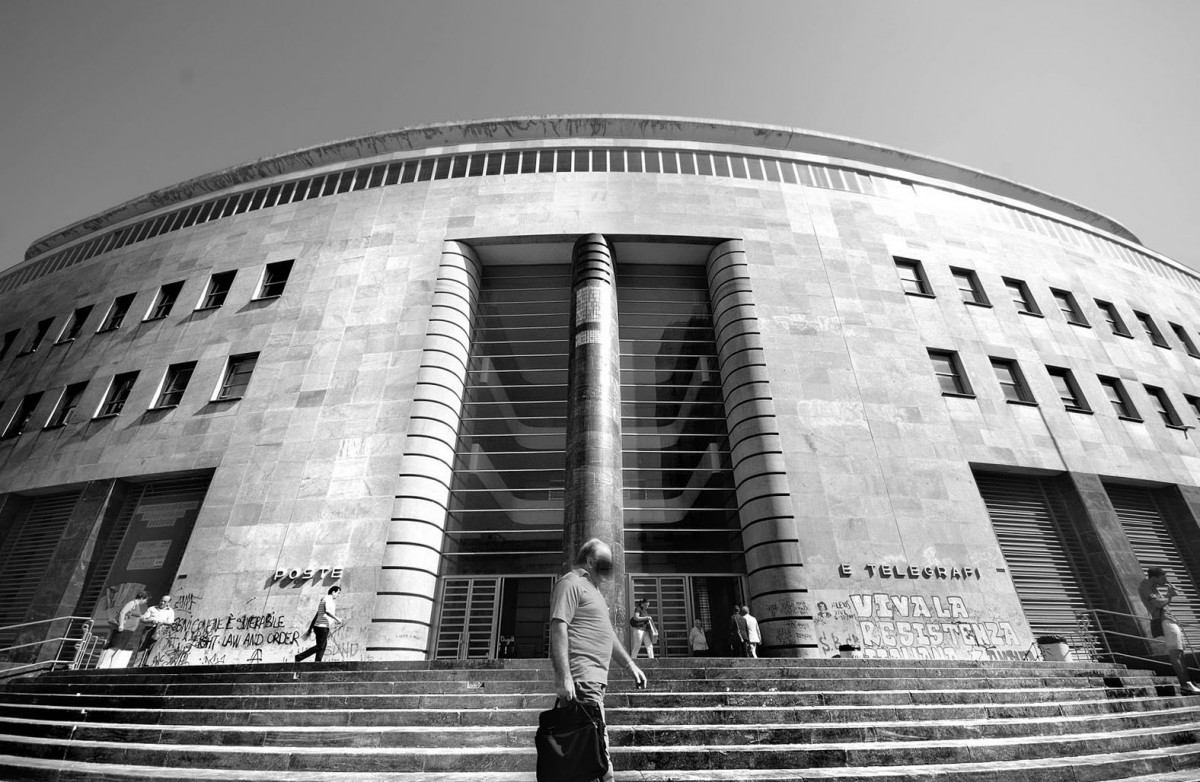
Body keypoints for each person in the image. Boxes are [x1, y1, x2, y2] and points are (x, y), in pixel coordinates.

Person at [550, 538, 647, 782]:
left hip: (594, 682)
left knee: (590, 754)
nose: (609, 569)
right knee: (597, 755)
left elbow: (608, 635)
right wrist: (564, 676)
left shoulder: (594, 592)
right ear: (592, 561)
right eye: (605, 563)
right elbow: (559, 626)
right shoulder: (571, 583)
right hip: (582, 681)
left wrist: (630, 664)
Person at [1139, 567, 1200, 694]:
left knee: (1180, 652)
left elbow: (1164, 604)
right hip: (1165, 620)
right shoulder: (1145, 586)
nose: (1166, 581)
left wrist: (1169, 596)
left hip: (1170, 619)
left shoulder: (1153, 587)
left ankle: (1188, 683)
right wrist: (1169, 594)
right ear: (1154, 578)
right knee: (1176, 653)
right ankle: (1185, 684)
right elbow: (1158, 604)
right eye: (1163, 578)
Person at [98, 591, 148, 669]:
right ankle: (102, 664)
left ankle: (112, 666)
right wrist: (121, 625)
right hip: (124, 628)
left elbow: (132, 615)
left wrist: (141, 617)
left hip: (129, 630)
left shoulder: (137, 606)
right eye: (145, 600)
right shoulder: (132, 603)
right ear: (142, 598)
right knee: (115, 646)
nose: (145, 602)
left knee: (119, 648)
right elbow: (122, 612)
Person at [296, 585, 342, 663]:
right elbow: (327, 611)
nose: (338, 595)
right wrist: (337, 619)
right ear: (333, 592)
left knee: (322, 646)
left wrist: (311, 628)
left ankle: (317, 663)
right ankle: (299, 657)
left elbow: (317, 615)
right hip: (322, 627)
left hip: (321, 626)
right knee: (320, 646)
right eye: (338, 593)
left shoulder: (325, 600)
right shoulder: (328, 599)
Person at [135, 594, 176, 666]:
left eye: (165, 602)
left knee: (153, 648)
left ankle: (147, 665)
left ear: (168, 603)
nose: (162, 603)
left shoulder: (170, 611)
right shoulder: (152, 608)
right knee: (142, 647)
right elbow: (143, 620)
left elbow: (170, 623)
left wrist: (162, 623)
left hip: (160, 630)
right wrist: (150, 621)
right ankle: (137, 665)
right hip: (148, 629)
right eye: (161, 601)